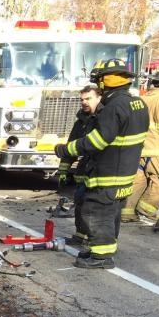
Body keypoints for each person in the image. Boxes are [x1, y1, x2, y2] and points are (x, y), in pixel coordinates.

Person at [54, 58, 149, 269]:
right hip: (125, 172)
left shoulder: (113, 106)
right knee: (112, 213)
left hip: (108, 172)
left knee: (96, 212)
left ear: (106, 82)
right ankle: (105, 248)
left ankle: (101, 257)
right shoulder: (139, 104)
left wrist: (65, 149)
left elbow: (98, 141)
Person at [56, 83, 103, 246]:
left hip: (101, 170)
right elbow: (71, 146)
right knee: (80, 202)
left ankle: (97, 241)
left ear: (99, 97)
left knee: (94, 207)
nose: (84, 102)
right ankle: (79, 236)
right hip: (85, 169)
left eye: (88, 99)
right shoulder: (81, 121)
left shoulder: (103, 119)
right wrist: (63, 170)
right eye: (82, 99)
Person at [121, 68, 159, 222]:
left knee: (137, 181)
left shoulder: (140, 100)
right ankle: (146, 211)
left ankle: (126, 212)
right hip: (158, 152)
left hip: (137, 150)